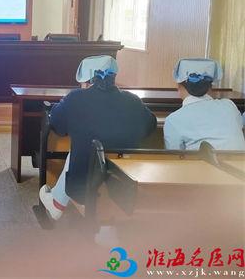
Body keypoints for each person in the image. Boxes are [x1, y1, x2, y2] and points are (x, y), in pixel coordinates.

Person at [39, 55, 157, 220]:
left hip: (83, 188)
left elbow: (58, 126)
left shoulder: (75, 98)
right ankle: (58, 203)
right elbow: (150, 126)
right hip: (125, 185)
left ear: (87, 80)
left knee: (80, 151)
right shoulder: (133, 101)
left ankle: (57, 203)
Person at [163, 58, 245, 151]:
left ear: (179, 87)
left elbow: (174, 155)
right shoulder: (229, 106)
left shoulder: (173, 120)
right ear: (210, 87)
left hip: (202, 161)